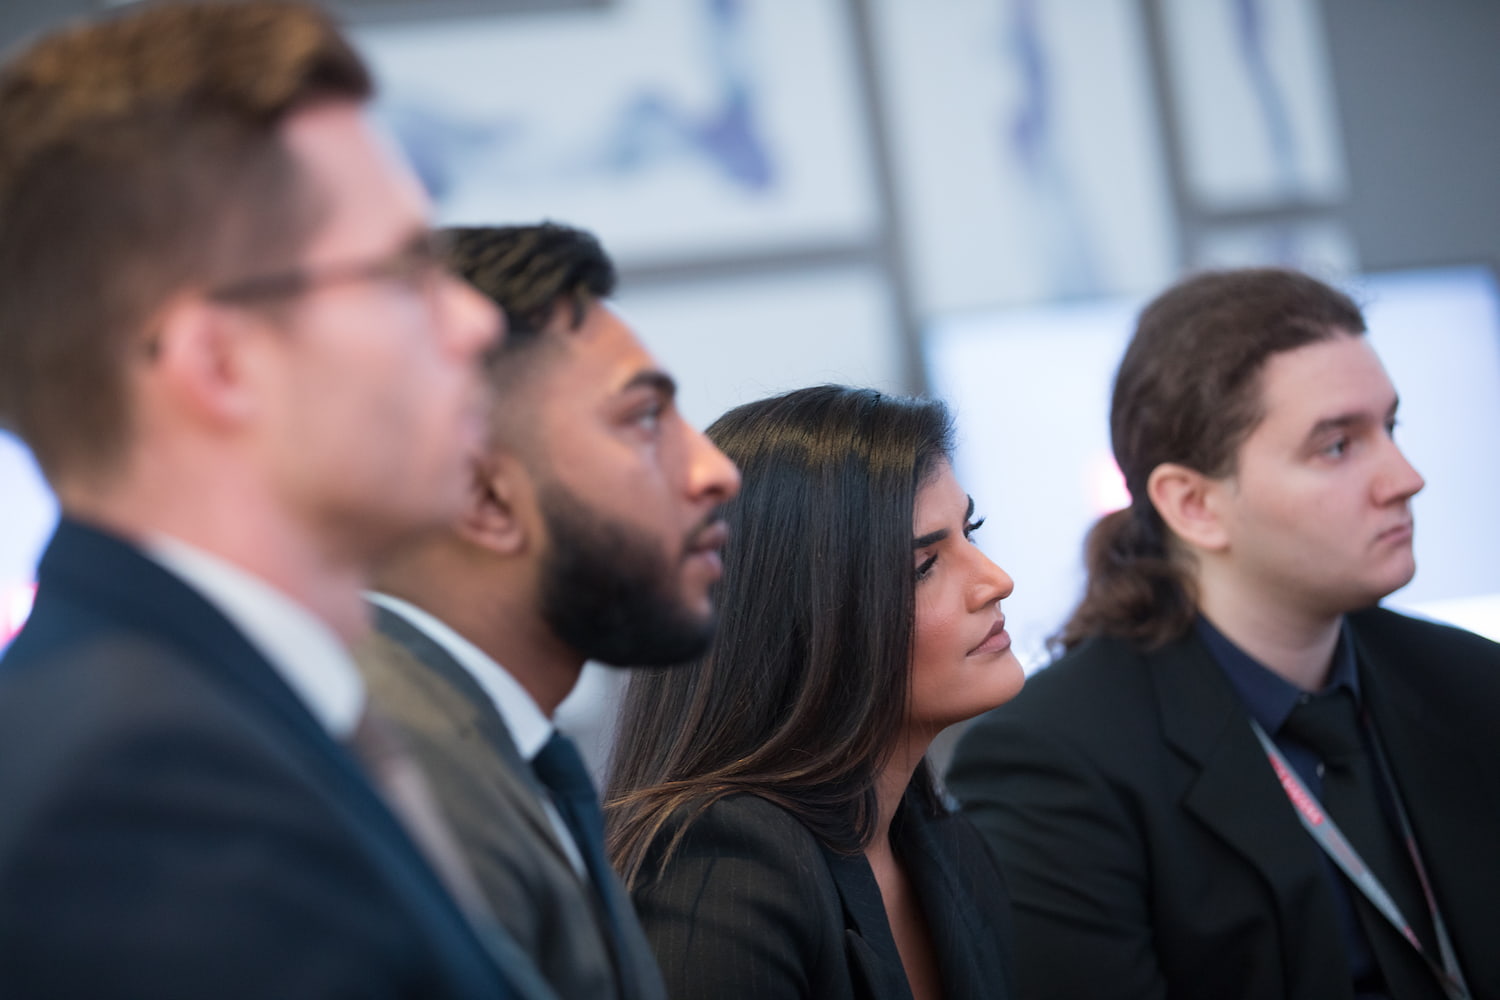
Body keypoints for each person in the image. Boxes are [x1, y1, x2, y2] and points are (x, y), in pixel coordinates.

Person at [0, 3, 550, 996]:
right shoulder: (144, 805)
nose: (472, 320)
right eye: (403, 271)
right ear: (219, 362)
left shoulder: (225, 713)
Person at [947, 268, 1500, 1000]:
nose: (1405, 477)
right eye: (1337, 446)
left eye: (1390, 428)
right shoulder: (1055, 763)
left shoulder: (1472, 682)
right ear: (1193, 504)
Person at [353, 222, 740, 1000]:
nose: (714, 470)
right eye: (642, 420)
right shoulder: (408, 785)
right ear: (486, 497)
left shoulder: (486, 748)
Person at [606, 384, 1022, 1000]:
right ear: (804, 619)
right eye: (925, 565)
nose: (996, 580)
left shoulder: (943, 845)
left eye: (971, 532)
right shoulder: (722, 863)